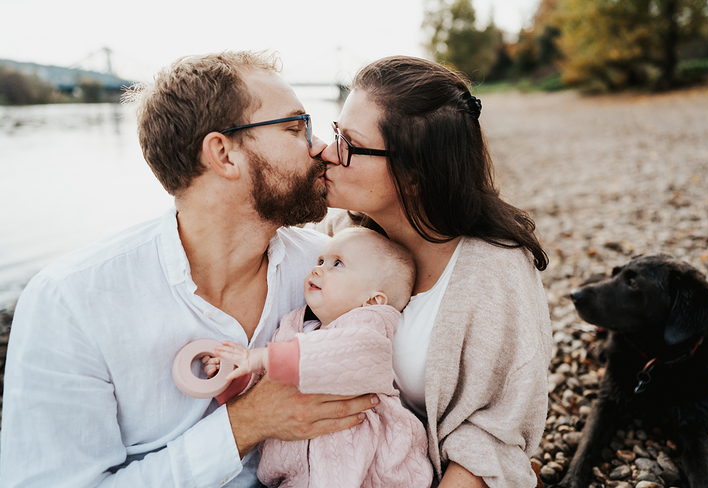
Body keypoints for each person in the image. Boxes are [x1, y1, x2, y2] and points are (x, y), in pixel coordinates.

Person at [0, 51, 378, 487]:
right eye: (296, 128)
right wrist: (244, 425)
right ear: (224, 154)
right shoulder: (70, 302)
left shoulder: (323, 267)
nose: (318, 147)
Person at [316, 55, 553, 488]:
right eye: (335, 132)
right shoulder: (340, 236)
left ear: (413, 175)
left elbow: (495, 433)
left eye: (348, 143)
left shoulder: (495, 274)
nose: (325, 152)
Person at [206, 226, 432, 487]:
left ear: (372, 301)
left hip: (369, 476)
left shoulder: (370, 337)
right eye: (320, 261)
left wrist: (259, 357)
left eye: (337, 264)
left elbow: (335, 356)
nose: (318, 269)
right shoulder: (296, 328)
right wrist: (236, 375)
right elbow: (267, 387)